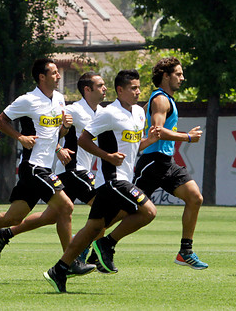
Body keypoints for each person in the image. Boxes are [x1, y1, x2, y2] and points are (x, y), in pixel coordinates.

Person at [0, 58, 83, 275]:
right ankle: (69, 262)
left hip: (46, 167)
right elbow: (1, 120)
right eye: (55, 72)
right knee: (66, 207)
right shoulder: (28, 100)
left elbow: (56, 133)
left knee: (13, 218)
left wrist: (64, 130)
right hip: (33, 167)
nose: (59, 76)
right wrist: (20, 137)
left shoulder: (59, 99)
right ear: (42, 77)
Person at [43, 69, 160, 293]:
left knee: (92, 228)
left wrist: (149, 141)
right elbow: (83, 140)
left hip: (121, 180)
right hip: (112, 180)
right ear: (120, 90)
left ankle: (58, 269)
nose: (138, 92)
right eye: (133, 88)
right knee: (149, 211)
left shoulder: (138, 112)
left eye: (138, 87)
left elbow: (132, 148)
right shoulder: (108, 114)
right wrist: (107, 157)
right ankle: (106, 244)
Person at [0, 72, 108, 276]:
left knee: (49, 217)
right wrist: (58, 149)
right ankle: (79, 256)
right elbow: (49, 129)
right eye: (101, 85)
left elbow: (58, 129)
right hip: (72, 170)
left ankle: (3, 233)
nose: (105, 88)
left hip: (75, 171)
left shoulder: (102, 112)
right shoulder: (74, 109)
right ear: (87, 89)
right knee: (103, 209)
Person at [132, 57, 208, 269]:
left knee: (195, 197)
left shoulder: (164, 99)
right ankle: (90, 244)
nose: (182, 78)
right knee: (125, 209)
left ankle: (185, 251)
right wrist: (188, 138)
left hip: (166, 162)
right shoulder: (161, 99)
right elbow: (157, 131)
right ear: (166, 76)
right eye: (178, 74)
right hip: (152, 163)